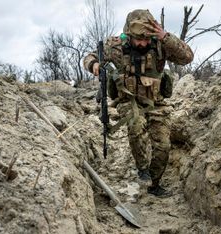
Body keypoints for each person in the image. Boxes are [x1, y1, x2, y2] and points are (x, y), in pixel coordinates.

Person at [83, 9, 193, 197]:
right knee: (136, 125)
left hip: (155, 103)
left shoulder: (161, 43)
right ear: (129, 34)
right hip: (128, 100)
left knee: (163, 145)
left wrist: (166, 37)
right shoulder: (116, 45)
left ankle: (154, 182)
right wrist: (93, 64)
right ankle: (142, 170)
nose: (142, 43)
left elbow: (187, 57)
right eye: (138, 39)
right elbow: (89, 57)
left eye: (146, 39)